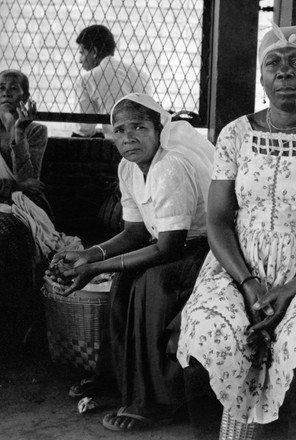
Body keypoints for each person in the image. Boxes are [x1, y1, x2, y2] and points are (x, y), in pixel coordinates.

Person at [177, 24, 296, 440]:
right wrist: (247, 283)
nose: (284, 72)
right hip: (236, 267)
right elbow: (218, 220)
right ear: (262, 78)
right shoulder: (235, 135)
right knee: (205, 341)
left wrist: (291, 289)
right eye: (273, 63)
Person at [48, 93, 214, 432]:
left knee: (152, 284)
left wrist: (95, 269)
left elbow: (168, 248)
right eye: (120, 130)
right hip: (171, 247)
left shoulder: (170, 165)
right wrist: (90, 255)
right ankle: (122, 381)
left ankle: (157, 401)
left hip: (206, 252)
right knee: (124, 282)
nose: (128, 137)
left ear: (159, 130)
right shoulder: (129, 168)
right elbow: (135, 232)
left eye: (139, 127)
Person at [0, 69, 52, 351]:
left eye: (14, 88)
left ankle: (14, 329)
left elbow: (32, 181)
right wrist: (14, 185)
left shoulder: (35, 131)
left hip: (24, 209)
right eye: (1, 88)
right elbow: (23, 183)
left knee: (7, 239)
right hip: (8, 200)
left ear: (26, 97)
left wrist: (16, 131)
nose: (6, 92)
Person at [72, 24, 152, 138]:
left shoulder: (87, 80)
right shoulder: (140, 73)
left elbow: (84, 129)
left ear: (94, 51)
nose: (80, 60)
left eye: (82, 53)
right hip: (147, 142)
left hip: (117, 146)